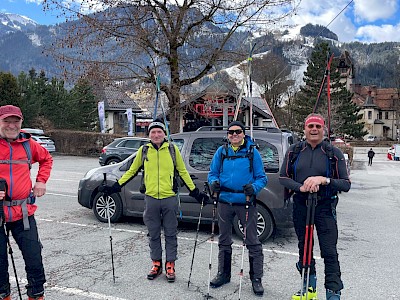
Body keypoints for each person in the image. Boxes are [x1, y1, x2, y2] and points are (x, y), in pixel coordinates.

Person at [100, 119, 208, 283]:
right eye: (153, 132)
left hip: (169, 198)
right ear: (149, 135)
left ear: (164, 134)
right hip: (150, 199)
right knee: (153, 234)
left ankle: (170, 265)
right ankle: (156, 263)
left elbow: (183, 172)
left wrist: (195, 192)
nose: (156, 135)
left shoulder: (172, 150)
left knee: (171, 233)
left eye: (159, 132)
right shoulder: (144, 151)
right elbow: (131, 171)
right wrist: (115, 187)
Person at [279, 113, 351, 300]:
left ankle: (333, 292)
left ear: (323, 129)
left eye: (318, 127)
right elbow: (283, 177)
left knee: (329, 251)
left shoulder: (332, 152)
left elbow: (345, 183)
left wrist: (324, 180)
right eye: (310, 126)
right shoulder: (294, 151)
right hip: (302, 205)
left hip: (325, 207)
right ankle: (308, 286)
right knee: (304, 248)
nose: (314, 129)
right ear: (304, 129)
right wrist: (300, 187)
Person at [208, 121, 267, 296]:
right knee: (224, 239)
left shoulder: (252, 153)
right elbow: (212, 173)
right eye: (231, 132)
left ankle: (256, 279)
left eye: (238, 132)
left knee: (252, 241)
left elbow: (262, 178)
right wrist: (214, 183)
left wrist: (254, 188)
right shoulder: (222, 152)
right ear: (227, 135)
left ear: (243, 134)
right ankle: (223, 274)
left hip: (245, 201)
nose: (234, 135)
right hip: (225, 201)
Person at [0, 105, 53, 300]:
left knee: (34, 259)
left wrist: (41, 180)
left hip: (23, 212)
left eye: (16, 121)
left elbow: (46, 159)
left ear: (21, 122)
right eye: (7, 121)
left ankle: (36, 294)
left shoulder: (28, 144)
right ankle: (3, 294)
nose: (11, 125)